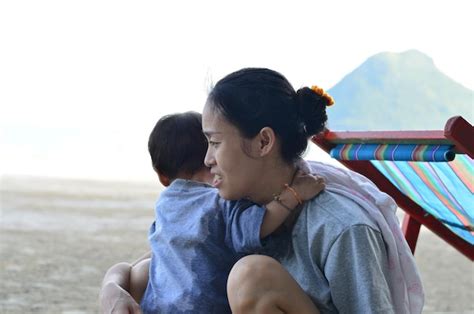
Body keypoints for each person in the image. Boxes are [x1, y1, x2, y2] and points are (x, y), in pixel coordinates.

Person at [101, 68, 424, 314]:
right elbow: (158, 255)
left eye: (214, 143)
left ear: (263, 142)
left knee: (253, 275)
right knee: (145, 277)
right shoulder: (229, 207)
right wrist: (113, 286)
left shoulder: (340, 226)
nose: (207, 159)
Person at [100, 111, 325, 314]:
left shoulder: (165, 204)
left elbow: (157, 250)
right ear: (211, 156)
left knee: (141, 271)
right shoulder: (220, 201)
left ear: (162, 177)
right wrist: (294, 194)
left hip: (156, 308)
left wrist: (112, 283)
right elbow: (257, 225)